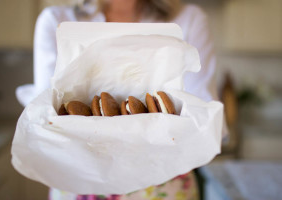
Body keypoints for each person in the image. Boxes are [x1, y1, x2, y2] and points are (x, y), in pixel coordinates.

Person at [17, 0, 218, 199]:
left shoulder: (189, 19)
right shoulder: (57, 21)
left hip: (164, 184)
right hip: (80, 183)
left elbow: (203, 120)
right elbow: (46, 120)